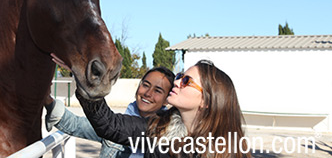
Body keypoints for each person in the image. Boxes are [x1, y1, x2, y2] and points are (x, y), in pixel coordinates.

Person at [75, 60, 250, 158]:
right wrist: (85, 75)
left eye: (186, 81)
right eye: (180, 76)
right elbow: (109, 124)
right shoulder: (157, 128)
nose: (176, 82)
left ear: (206, 101)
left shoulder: (228, 152)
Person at [45, 54, 175, 158]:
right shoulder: (115, 125)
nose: (148, 93)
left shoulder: (171, 138)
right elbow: (75, 124)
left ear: (167, 100)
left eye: (158, 90)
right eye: (146, 85)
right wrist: (45, 98)